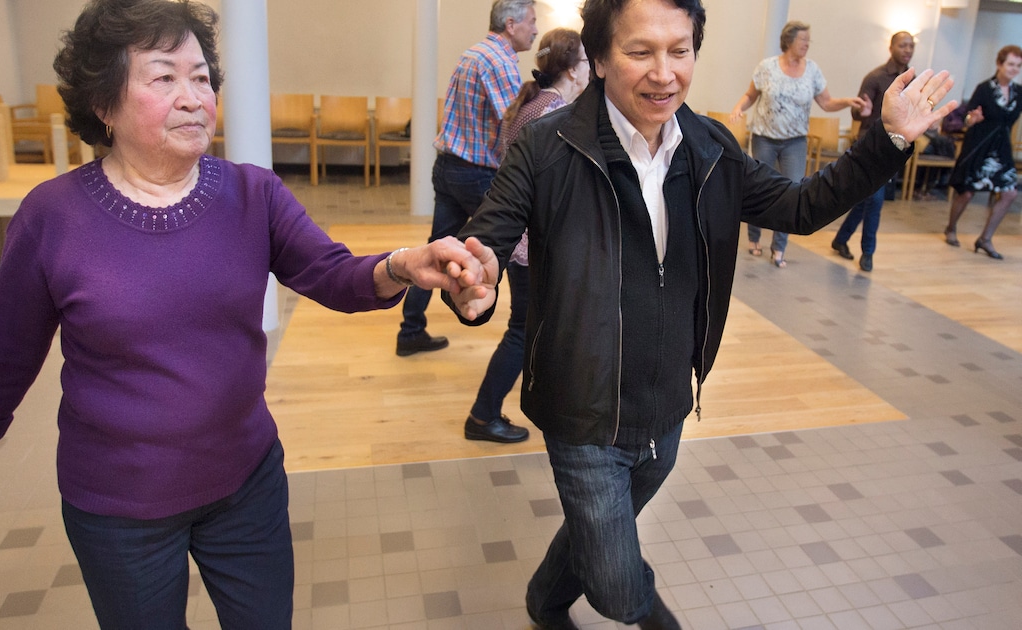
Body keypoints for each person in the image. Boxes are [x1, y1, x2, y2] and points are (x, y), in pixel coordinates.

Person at [0, 1, 488, 628]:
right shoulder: (53, 217)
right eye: (164, 78)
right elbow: (1, 363)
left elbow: (333, 274)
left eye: (201, 78)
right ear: (104, 105)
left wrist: (406, 264)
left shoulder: (252, 193)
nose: (193, 99)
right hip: (118, 507)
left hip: (246, 482)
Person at [445, 0, 955, 627]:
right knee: (617, 588)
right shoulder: (546, 147)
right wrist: (473, 279)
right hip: (581, 409)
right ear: (599, 57)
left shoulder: (710, 149)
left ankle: (544, 601)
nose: (664, 73)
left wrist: (890, 139)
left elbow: (800, 208)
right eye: (640, 52)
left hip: (666, 404)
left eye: (679, 51)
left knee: (598, 534)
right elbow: (486, 239)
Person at [464, 28, 590, 444]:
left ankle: (556, 405)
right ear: (571, 70)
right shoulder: (555, 114)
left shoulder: (534, 103)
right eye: (587, 62)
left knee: (543, 328)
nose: (592, 71)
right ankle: (482, 415)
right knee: (523, 330)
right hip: (531, 243)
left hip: (524, 239)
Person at [395, 0, 537, 357]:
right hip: (476, 173)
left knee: (436, 251)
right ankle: (522, 333)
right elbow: (516, 127)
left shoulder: (473, 53)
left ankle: (410, 330)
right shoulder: (499, 62)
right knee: (514, 247)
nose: (535, 30)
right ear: (511, 24)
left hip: (449, 167)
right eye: (532, 22)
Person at [729, 21, 870, 267]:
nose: (807, 44)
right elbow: (751, 94)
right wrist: (739, 108)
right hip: (764, 137)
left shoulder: (812, 70)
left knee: (793, 191)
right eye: (803, 39)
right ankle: (754, 238)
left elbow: (826, 103)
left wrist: (848, 102)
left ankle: (779, 248)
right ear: (789, 41)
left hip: (794, 141)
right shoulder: (767, 67)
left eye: (808, 40)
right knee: (757, 187)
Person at [830, 30, 917, 272]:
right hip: (872, 148)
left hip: (895, 148)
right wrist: (862, 111)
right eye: (903, 45)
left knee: (865, 200)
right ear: (891, 47)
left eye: (911, 46)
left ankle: (840, 239)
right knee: (875, 201)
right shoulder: (875, 77)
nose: (908, 50)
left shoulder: (912, 80)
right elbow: (857, 112)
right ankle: (868, 253)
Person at [942, 44, 1021, 259]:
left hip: (1001, 149)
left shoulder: (1018, 92)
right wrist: (972, 118)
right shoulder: (984, 88)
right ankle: (951, 227)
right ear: (999, 64)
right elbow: (967, 118)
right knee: (967, 192)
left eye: (1018, 66)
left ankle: (985, 238)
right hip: (979, 145)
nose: (1014, 69)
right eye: (1010, 64)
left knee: (1010, 193)